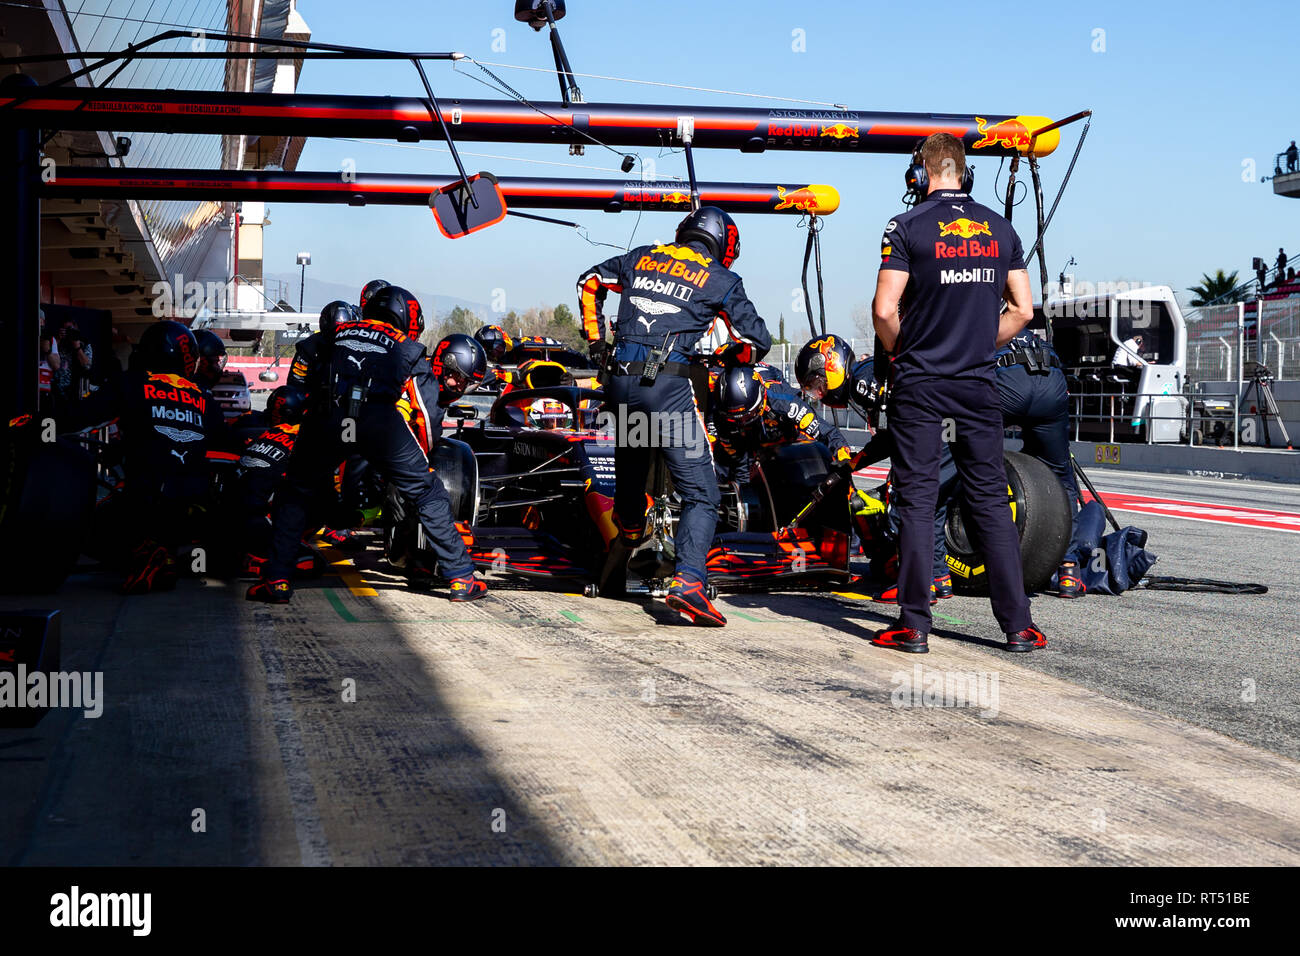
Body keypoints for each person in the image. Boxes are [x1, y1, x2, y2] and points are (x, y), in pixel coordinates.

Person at [870, 131, 1045, 654]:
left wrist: (909, 351)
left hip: (920, 382)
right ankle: (1018, 627)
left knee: (919, 500)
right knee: (990, 500)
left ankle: (915, 626)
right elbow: (1023, 310)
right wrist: (974, 344)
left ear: (921, 173)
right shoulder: (1000, 227)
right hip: (978, 382)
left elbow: (883, 311)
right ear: (963, 173)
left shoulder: (904, 226)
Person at [577, 205, 771, 626]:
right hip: (667, 388)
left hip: (619, 386)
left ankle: (628, 529)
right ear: (724, 245)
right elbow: (756, 340)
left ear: (683, 231)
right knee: (703, 495)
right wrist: (722, 352)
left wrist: (596, 342)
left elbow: (588, 280)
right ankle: (689, 582)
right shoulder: (721, 279)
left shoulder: (640, 256)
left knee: (633, 467)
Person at [247, 288, 488, 604]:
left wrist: (311, 413)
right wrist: (419, 461)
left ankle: (277, 581)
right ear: (405, 318)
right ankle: (460, 579)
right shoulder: (406, 346)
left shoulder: (335, 333)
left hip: (328, 415)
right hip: (378, 420)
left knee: (295, 492)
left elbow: (302, 368)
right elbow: (427, 415)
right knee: (428, 492)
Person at [795, 333, 955, 602]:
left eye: (817, 384)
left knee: (905, 503)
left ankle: (916, 584)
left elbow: (903, 426)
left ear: (832, 365)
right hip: (948, 428)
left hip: (935, 432)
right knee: (933, 506)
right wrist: (851, 466)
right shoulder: (866, 378)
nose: (819, 394)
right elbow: (887, 437)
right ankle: (938, 577)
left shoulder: (862, 383)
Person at [118, 320, 217, 594]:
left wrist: (39, 422)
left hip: (148, 496)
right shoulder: (203, 396)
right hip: (197, 501)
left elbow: (82, 416)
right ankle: (166, 556)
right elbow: (222, 440)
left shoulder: (133, 383)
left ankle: (147, 551)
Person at [995, 328, 1084, 597]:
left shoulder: (978, 323)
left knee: (976, 465)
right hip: (1050, 384)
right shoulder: (1032, 335)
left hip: (1006, 385)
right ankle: (1069, 570)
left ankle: (939, 573)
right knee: (1060, 474)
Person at [711, 364, 854, 481]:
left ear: (762, 398)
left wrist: (842, 455)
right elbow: (738, 460)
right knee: (720, 467)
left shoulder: (786, 402)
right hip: (749, 442)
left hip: (786, 437)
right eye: (736, 418)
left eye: (747, 415)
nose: (742, 422)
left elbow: (827, 432)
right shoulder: (721, 411)